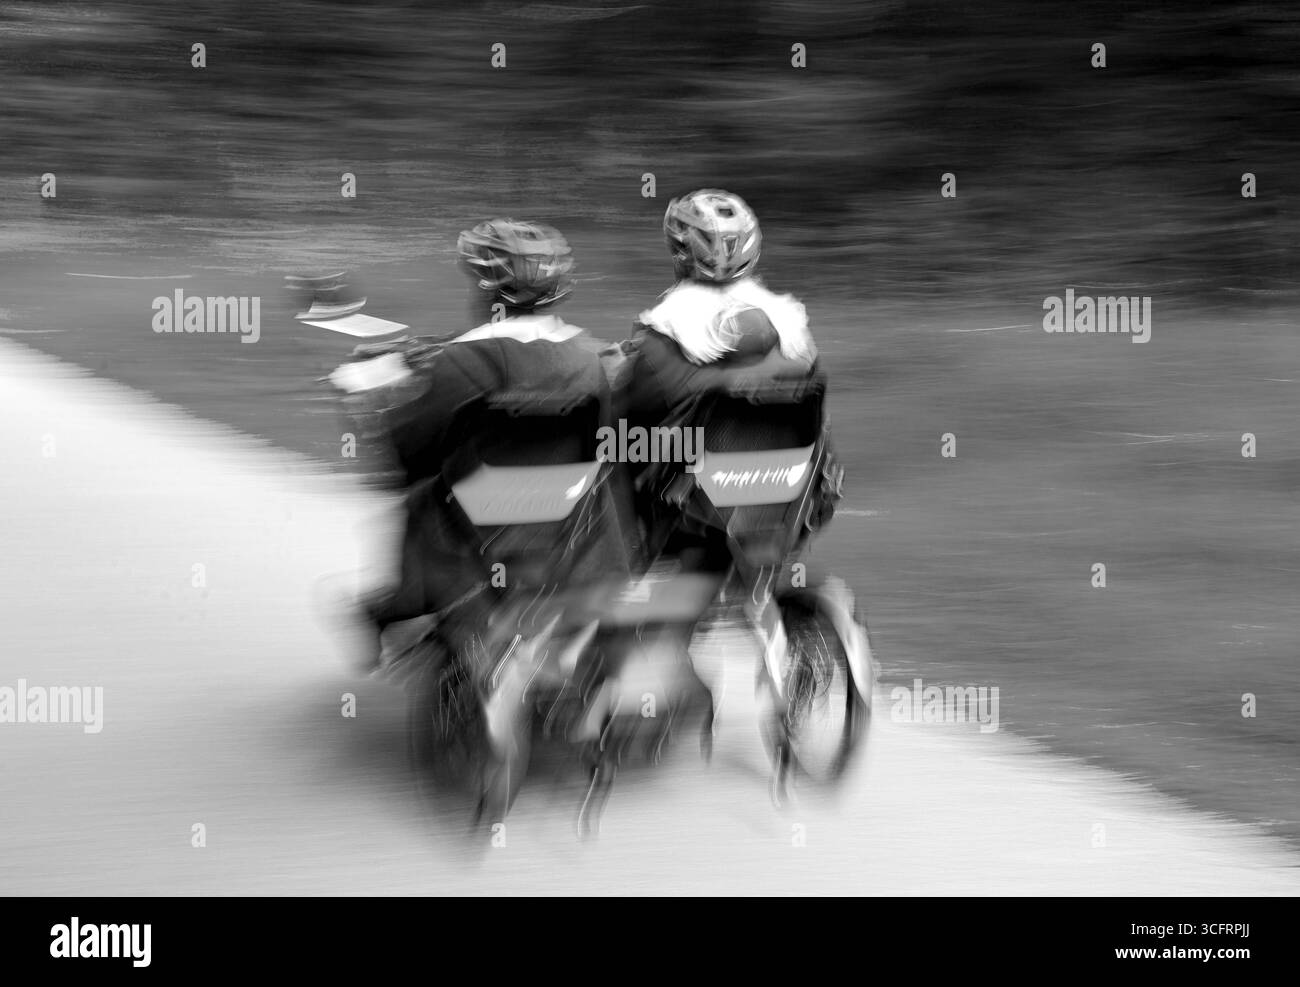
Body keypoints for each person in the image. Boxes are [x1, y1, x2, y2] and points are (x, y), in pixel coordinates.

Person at [328, 219, 632, 673]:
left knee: (419, 496)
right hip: (571, 530)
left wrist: (375, 402)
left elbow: (408, 456)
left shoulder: (457, 363)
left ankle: (393, 610)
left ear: (486, 288)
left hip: (476, 533)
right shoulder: (593, 360)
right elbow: (609, 446)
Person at [615, 188, 842, 568]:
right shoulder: (796, 336)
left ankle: (622, 564)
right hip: (786, 504)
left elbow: (629, 419)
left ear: (678, 250)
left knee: (609, 442)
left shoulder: (663, 337)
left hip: (692, 509)